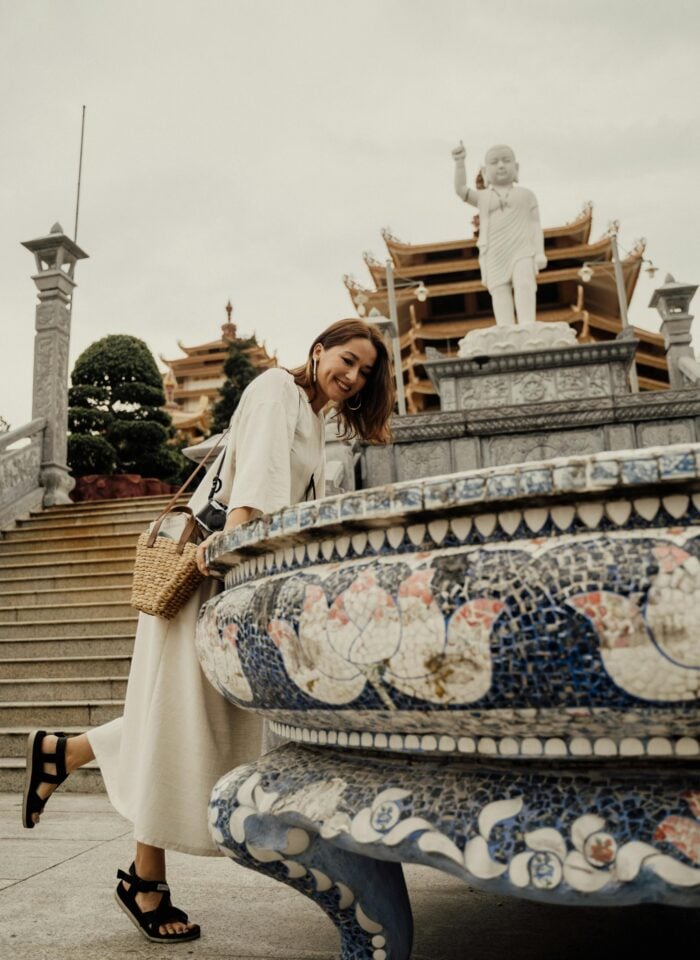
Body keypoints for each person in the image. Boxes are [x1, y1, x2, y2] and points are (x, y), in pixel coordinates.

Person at [22, 318, 395, 944]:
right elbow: (253, 489)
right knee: (179, 718)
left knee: (181, 717)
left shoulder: (316, 415)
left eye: (364, 372)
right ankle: (142, 877)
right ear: (319, 349)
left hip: (230, 567)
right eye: (348, 360)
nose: (353, 376)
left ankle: (69, 756)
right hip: (211, 571)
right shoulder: (279, 389)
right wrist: (240, 562)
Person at [452, 141, 547, 326]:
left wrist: (540, 252)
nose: (501, 165)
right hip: (494, 250)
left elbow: (535, 225)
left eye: (506, 161)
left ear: (516, 167)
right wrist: (460, 162)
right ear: (486, 172)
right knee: (499, 289)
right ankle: (505, 326)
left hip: (522, 248)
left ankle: (527, 323)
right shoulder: (483, 197)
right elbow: (460, 190)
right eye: (494, 162)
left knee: (524, 283)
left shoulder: (526, 195)